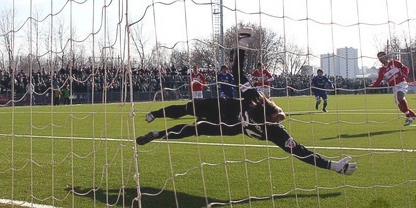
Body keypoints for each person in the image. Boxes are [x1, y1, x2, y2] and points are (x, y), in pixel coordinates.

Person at [138, 87, 357, 175]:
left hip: (224, 113)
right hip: (227, 124)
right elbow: (300, 152)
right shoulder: (274, 131)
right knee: (193, 125)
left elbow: (238, 72)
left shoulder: (257, 103)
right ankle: (157, 128)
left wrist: (242, 44)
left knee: (190, 117)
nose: (281, 114)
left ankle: (155, 122)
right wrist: (333, 166)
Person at [371, 51, 416, 129]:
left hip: (401, 84)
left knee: (400, 96)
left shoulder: (394, 63)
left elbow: (405, 68)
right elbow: (378, 81)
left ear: (386, 56)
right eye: (379, 58)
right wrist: (371, 86)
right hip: (394, 88)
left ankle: (408, 117)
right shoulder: (381, 70)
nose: (380, 59)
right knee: (402, 108)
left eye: (381, 56)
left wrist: (404, 75)